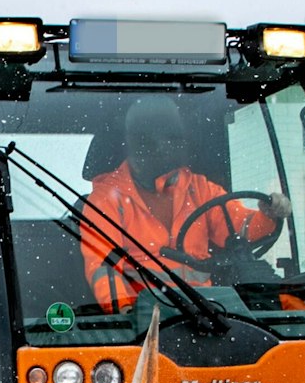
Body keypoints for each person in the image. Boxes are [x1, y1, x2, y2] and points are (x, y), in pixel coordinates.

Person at [79, 97, 290, 311]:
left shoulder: (198, 189)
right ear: (138, 142)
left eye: (176, 139)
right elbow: (104, 267)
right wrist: (126, 313)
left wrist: (268, 215)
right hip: (145, 317)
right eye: (167, 139)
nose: (174, 147)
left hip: (207, 314)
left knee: (290, 307)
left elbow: (239, 229)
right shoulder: (105, 201)